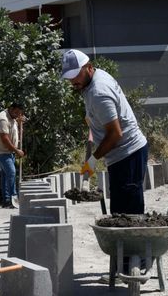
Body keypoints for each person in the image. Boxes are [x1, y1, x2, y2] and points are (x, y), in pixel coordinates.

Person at [61, 49, 148, 214]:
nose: (73, 81)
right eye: (69, 77)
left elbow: (115, 134)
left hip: (127, 154)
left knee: (127, 212)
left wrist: (93, 160)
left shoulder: (98, 92)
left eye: (76, 75)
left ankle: (133, 239)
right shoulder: (94, 78)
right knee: (121, 207)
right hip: (122, 155)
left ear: (89, 67)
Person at [0, 103, 25, 209]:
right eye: (16, 113)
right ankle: (13, 199)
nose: (17, 115)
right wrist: (17, 151)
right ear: (10, 108)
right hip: (1, 152)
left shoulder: (12, 116)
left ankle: (6, 200)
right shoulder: (3, 119)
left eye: (19, 113)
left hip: (8, 152)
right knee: (11, 172)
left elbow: (13, 127)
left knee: (6, 175)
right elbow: (5, 139)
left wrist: (19, 122)